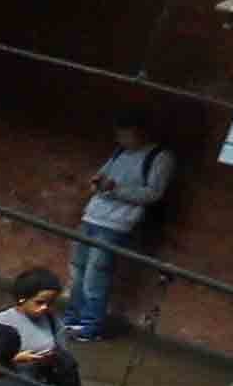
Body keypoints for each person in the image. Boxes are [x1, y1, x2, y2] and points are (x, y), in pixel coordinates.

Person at [67, 124, 176, 341]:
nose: (120, 138)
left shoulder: (160, 157)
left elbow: (153, 193)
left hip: (116, 223)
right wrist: (97, 183)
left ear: (140, 132)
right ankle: (73, 318)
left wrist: (115, 189)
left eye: (125, 133)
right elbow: (102, 175)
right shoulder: (120, 151)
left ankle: (90, 325)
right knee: (78, 269)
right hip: (92, 215)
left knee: (95, 275)